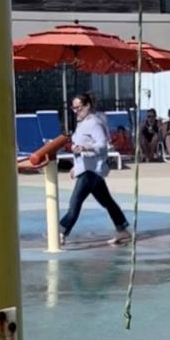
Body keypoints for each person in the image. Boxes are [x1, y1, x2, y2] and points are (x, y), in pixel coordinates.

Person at [31, 94, 131, 246]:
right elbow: (79, 148)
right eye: (73, 108)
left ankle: (60, 232)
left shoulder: (94, 123)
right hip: (88, 169)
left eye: (78, 107)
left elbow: (102, 145)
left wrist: (85, 147)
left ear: (87, 106)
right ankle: (122, 229)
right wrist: (76, 167)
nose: (75, 111)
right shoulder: (83, 123)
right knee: (107, 202)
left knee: (75, 202)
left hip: (91, 171)